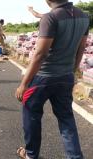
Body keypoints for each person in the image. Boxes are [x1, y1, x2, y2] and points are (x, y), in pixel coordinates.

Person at [15, 0, 89, 159]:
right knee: (66, 118)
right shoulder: (84, 16)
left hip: (44, 78)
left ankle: (31, 154)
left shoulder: (50, 18)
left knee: (31, 113)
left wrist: (24, 84)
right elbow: (81, 48)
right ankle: (75, 157)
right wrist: (72, 71)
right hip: (66, 77)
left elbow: (41, 54)